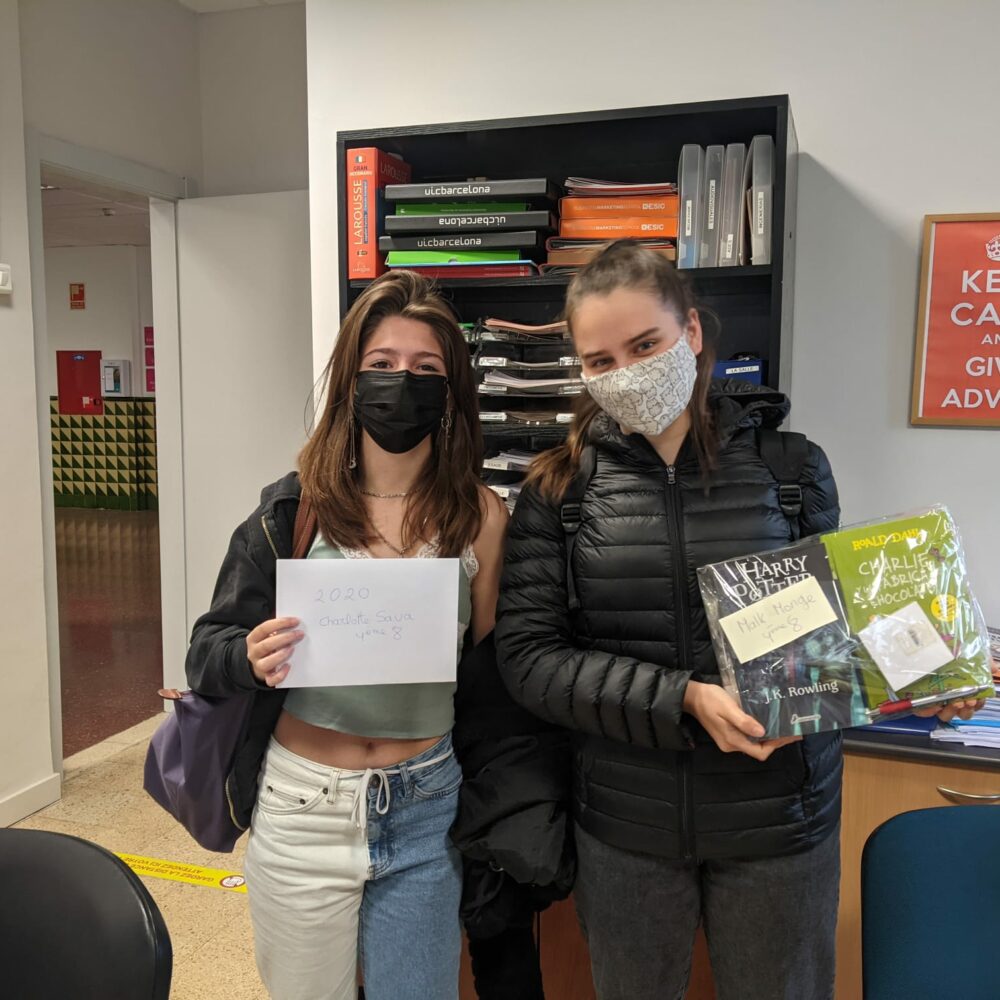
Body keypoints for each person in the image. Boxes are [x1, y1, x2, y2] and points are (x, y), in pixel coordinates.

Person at [493, 240, 981, 1000]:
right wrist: (683, 698)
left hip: (780, 820)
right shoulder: (558, 492)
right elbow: (529, 659)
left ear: (691, 331)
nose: (626, 374)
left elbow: (840, 639)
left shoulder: (790, 469)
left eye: (645, 345)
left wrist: (926, 679)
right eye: (599, 360)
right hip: (627, 826)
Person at [185, 270, 508, 1000]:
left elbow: (488, 680)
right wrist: (248, 656)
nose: (402, 382)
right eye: (382, 364)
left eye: (426, 369)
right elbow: (206, 651)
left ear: (451, 391)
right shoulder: (292, 511)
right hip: (302, 808)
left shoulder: (480, 517)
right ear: (351, 381)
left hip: (426, 804)